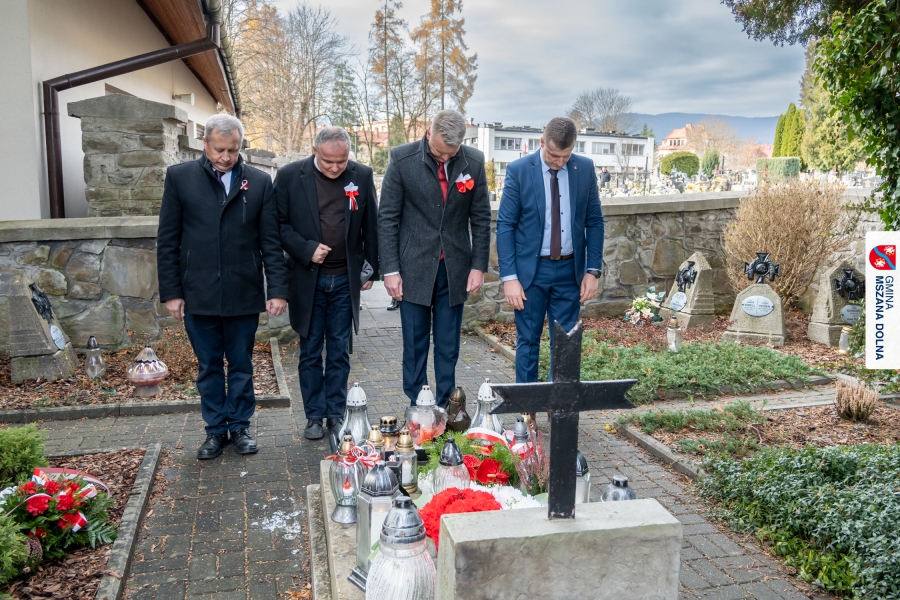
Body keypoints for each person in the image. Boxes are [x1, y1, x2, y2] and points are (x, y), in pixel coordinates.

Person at [157, 113, 289, 460]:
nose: (226, 157)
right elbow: (168, 240)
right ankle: (215, 430)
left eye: (233, 150)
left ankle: (240, 427)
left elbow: (271, 242)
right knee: (209, 366)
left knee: (242, 364)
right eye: (219, 150)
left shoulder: (259, 182)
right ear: (205, 143)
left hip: (243, 291)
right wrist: (172, 292)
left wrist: (277, 289)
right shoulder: (180, 178)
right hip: (197, 292)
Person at [379, 110, 491, 407]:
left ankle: (445, 405)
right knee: (415, 345)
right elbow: (387, 218)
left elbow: (481, 219)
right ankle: (418, 407)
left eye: (450, 154)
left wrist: (478, 266)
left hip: (454, 268)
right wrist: (390, 269)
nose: (444, 158)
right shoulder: (401, 159)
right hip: (412, 267)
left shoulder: (474, 162)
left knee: (447, 344)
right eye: (439, 151)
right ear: (429, 134)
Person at [275, 127, 379, 440]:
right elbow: (278, 225)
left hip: (345, 280)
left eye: (341, 161)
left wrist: (371, 270)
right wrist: (306, 249)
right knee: (310, 352)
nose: (335, 168)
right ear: (314, 151)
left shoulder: (362, 175)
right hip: (308, 280)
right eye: (328, 161)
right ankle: (314, 416)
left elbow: (371, 224)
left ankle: (335, 414)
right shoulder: (291, 176)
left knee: (338, 351)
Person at [496, 116, 604, 383]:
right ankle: (526, 407)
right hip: (531, 273)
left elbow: (594, 221)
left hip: (570, 272)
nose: (560, 162)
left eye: (566, 156)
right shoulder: (519, 170)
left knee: (566, 344)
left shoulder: (584, 168)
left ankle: (560, 406)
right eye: (554, 155)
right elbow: (505, 225)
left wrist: (592, 271)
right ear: (542, 142)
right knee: (528, 341)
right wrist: (509, 278)